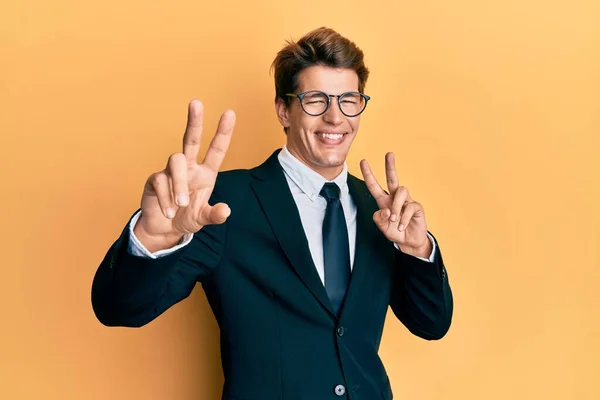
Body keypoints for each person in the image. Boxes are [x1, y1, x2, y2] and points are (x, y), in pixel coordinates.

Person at [91, 27, 453, 400]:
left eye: (349, 99)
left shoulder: (380, 211)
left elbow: (431, 324)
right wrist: (153, 239)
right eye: (316, 100)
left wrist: (417, 251)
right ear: (284, 109)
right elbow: (120, 309)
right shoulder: (221, 202)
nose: (335, 117)